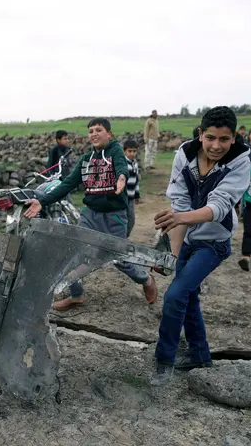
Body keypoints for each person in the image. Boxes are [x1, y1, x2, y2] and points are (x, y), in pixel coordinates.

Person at [150, 106, 251, 386]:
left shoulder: (241, 159)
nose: (216, 146)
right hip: (188, 238)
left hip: (214, 242)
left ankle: (164, 360)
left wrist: (178, 217)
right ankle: (200, 356)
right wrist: (172, 253)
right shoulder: (184, 153)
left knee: (175, 296)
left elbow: (219, 206)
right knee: (188, 296)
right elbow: (180, 202)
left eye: (224, 139)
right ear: (200, 134)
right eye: (210, 138)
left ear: (234, 138)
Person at [23, 118, 158, 309]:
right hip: (90, 215)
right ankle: (76, 295)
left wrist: (121, 177)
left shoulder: (115, 151)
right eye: (91, 131)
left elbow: (121, 166)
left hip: (114, 216)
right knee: (74, 253)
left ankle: (146, 279)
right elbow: (67, 184)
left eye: (98, 130)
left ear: (109, 134)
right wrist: (42, 201)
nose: (94, 134)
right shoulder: (86, 160)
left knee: (119, 259)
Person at [123, 139, 141, 237]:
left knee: (131, 220)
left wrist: (137, 195)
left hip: (131, 198)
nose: (132, 153)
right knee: (125, 220)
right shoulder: (123, 164)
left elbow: (136, 181)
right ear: (124, 151)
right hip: (124, 197)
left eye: (134, 151)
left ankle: (125, 237)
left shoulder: (134, 164)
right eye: (129, 151)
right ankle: (122, 239)